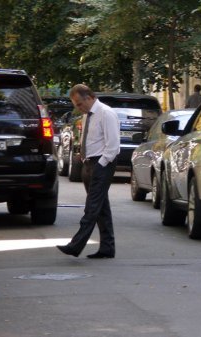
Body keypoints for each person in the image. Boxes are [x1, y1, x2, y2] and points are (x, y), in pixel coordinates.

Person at [57, 84, 120, 258]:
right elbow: (91, 139)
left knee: (92, 206)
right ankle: (108, 247)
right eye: (75, 105)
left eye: (79, 104)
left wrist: (101, 164)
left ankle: (76, 245)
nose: (78, 108)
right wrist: (83, 157)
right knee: (100, 207)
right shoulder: (87, 116)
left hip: (103, 163)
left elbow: (113, 145)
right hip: (89, 162)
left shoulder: (106, 113)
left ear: (89, 97)